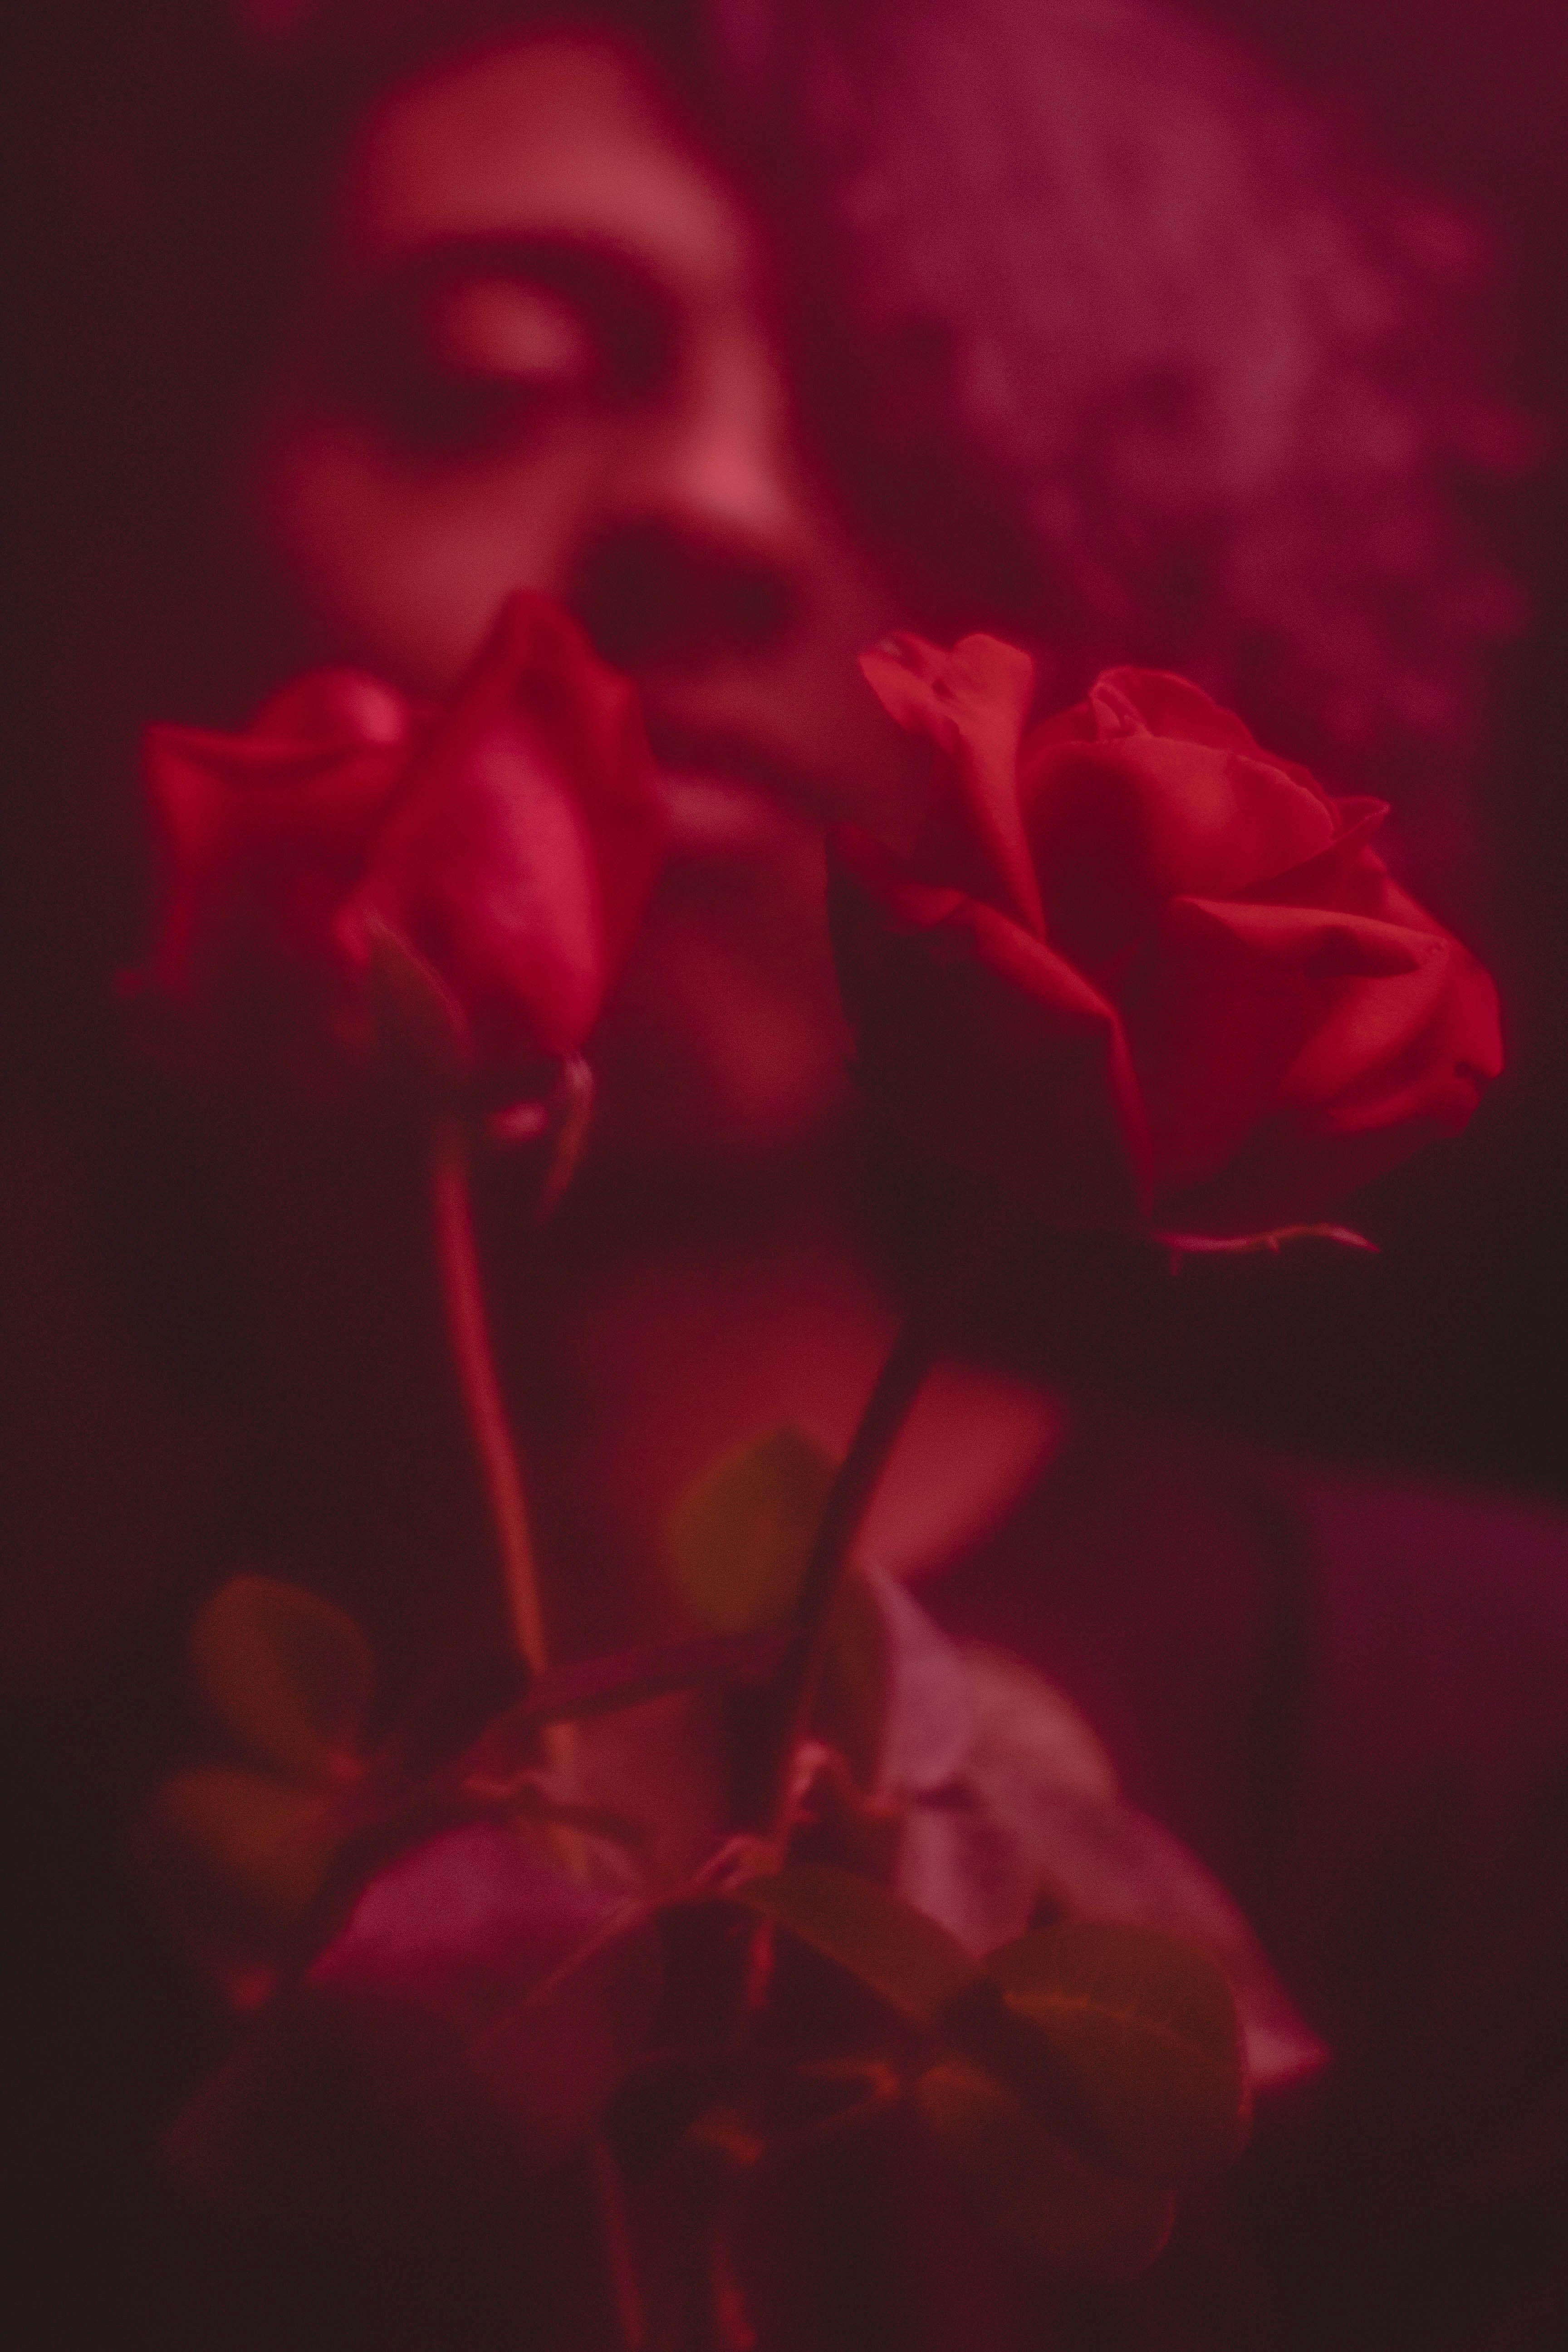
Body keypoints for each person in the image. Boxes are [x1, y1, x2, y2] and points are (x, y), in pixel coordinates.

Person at [6, 3, 1564, 2347]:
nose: (715, 508)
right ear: (126, 561)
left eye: (894, 409)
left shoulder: (1503, 1736)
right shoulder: (53, 1902)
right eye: (498, 372)